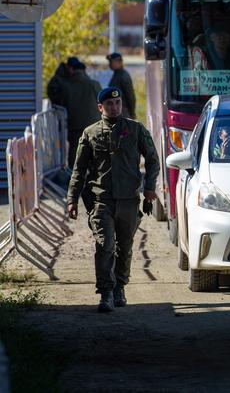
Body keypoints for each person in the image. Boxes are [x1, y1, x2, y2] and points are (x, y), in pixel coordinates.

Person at [66, 87, 159, 313]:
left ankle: (120, 287)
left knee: (124, 247)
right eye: (109, 104)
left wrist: (149, 189)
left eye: (117, 104)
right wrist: (72, 199)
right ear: (101, 108)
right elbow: (78, 171)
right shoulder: (90, 133)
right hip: (101, 200)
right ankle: (106, 292)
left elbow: (153, 160)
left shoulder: (136, 129)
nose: (114, 107)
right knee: (105, 245)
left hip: (129, 200)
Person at [62, 57, 102, 170]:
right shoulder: (93, 84)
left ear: (72, 70)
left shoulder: (67, 87)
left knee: (75, 152)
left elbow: (61, 102)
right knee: (95, 151)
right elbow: (103, 101)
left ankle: (75, 178)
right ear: (84, 71)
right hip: (94, 124)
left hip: (74, 125)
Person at [107, 52, 136, 119]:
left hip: (123, 113)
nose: (110, 64)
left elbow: (130, 96)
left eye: (112, 62)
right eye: (109, 62)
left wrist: (132, 113)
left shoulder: (123, 75)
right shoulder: (117, 74)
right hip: (118, 112)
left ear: (119, 62)